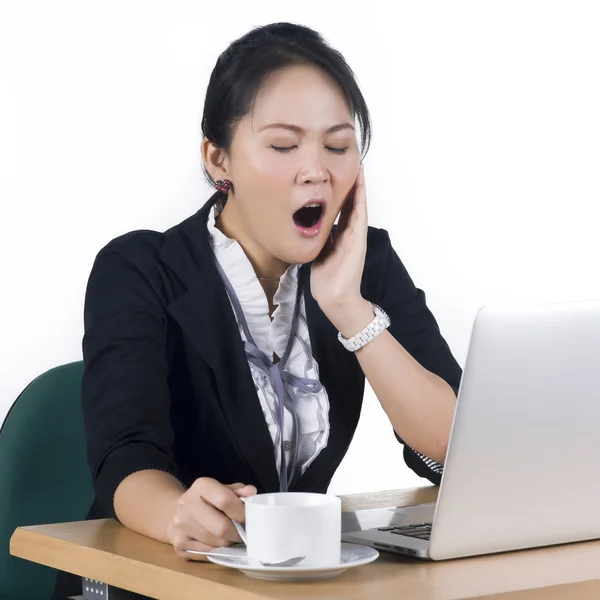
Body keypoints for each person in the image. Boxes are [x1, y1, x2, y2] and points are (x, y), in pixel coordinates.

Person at [52, 21, 462, 599]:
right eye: (283, 145)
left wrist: (348, 309)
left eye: (338, 146)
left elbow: (453, 446)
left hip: (284, 582)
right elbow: (126, 457)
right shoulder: (140, 268)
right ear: (219, 160)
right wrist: (177, 514)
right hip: (146, 577)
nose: (316, 168)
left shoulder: (363, 265)